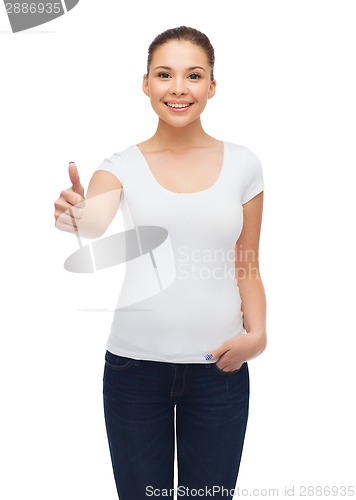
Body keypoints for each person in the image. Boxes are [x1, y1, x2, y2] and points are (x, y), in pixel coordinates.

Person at [54, 26, 267, 500]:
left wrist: (258, 334)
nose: (178, 88)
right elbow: (93, 222)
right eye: (164, 75)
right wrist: (75, 214)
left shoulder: (244, 165)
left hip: (220, 370)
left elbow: (247, 262)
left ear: (211, 86)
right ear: (146, 84)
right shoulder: (120, 165)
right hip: (134, 372)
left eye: (193, 75)